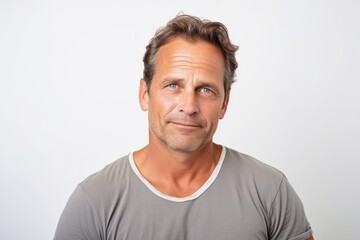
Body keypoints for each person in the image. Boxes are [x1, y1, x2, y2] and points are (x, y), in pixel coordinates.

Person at [54, 14, 314, 240]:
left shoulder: (269, 190)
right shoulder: (93, 200)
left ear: (224, 103)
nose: (189, 106)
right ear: (145, 94)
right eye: (173, 85)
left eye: (206, 89)